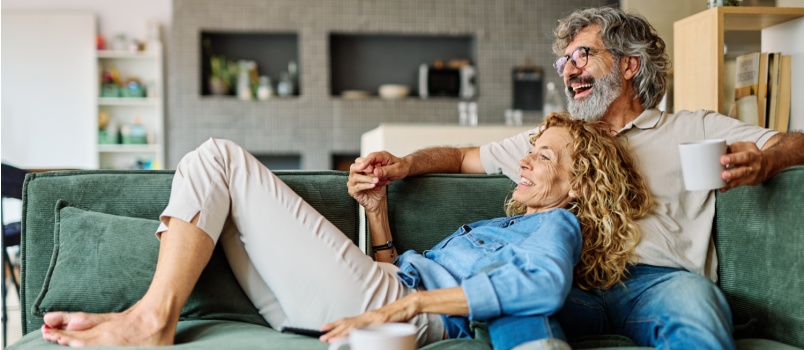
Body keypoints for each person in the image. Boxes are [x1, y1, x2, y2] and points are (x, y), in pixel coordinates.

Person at [351, 6, 804, 350]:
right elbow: (464, 155)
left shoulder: (693, 127)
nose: (568, 70)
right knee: (515, 302)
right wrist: (405, 165)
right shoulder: (554, 141)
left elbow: (794, 140)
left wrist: (767, 161)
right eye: (563, 61)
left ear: (629, 64)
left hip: (660, 281)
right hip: (571, 282)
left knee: (699, 306)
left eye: (582, 55)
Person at [40, 113, 651, 350]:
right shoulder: (505, 223)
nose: (525, 160)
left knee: (219, 157)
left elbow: (543, 288)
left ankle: (152, 319)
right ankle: (151, 316)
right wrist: (378, 213)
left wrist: (409, 302)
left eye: (545, 157)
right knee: (213, 171)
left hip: (389, 309)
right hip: (367, 295)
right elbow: (395, 269)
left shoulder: (557, 225)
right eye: (532, 149)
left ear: (577, 186)